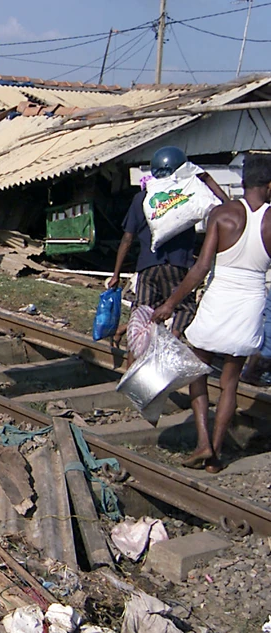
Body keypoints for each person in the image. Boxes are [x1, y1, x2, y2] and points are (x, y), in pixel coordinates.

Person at [152, 153, 271, 473]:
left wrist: (169, 304)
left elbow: (200, 268)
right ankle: (214, 458)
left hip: (219, 299)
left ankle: (203, 442)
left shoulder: (222, 214)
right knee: (230, 383)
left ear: (243, 182)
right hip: (250, 302)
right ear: (269, 186)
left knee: (197, 372)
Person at [109, 146, 229, 361]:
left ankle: (132, 367)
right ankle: (169, 343)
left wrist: (116, 274)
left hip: (147, 268)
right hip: (177, 267)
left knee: (141, 319)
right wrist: (205, 178)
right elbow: (226, 206)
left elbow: (127, 238)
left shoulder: (142, 198)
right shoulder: (186, 197)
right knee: (185, 309)